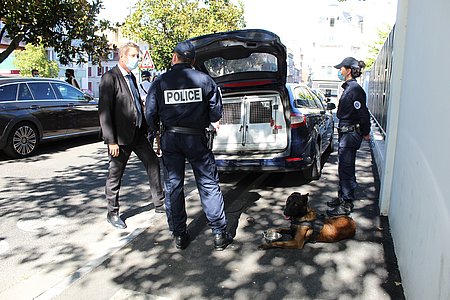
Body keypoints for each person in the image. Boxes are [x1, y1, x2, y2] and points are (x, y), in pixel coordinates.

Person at [145, 41, 233, 251]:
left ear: (174, 57)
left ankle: (179, 235)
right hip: (197, 139)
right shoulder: (205, 80)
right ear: (193, 60)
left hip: (171, 139)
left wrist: (154, 132)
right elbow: (216, 114)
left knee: (174, 185)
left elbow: (149, 112)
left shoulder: (160, 82)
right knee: (208, 184)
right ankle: (219, 234)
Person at [98, 42, 165, 229]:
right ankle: (112, 213)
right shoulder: (110, 78)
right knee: (115, 175)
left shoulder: (131, 78)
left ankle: (159, 203)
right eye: (134, 55)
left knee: (153, 162)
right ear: (123, 57)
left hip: (137, 133)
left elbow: (135, 104)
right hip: (119, 138)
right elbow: (104, 112)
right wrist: (110, 140)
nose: (137, 59)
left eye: (138, 55)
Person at [327, 57, 371, 217]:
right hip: (346, 133)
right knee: (343, 167)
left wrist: (366, 132)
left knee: (346, 168)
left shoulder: (355, 90)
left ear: (349, 70)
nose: (340, 71)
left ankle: (347, 202)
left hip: (350, 134)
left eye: (342, 68)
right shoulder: (349, 88)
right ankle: (342, 197)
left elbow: (363, 113)